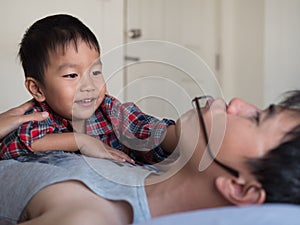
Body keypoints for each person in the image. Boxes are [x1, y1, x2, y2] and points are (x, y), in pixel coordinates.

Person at [0, 90, 299, 225]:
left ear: (241, 189)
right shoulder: (155, 165)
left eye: (256, 119)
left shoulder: (89, 216)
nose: (237, 104)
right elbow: (146, 131)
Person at [0, 14, 177, 164]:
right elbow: (16, 146)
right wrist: (80, 141)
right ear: (38, 89)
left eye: (95, 72)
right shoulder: (39, 116)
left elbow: (143, 129)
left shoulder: (109, 110)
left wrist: (178, 135)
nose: (89, 86)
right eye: (72, 75)